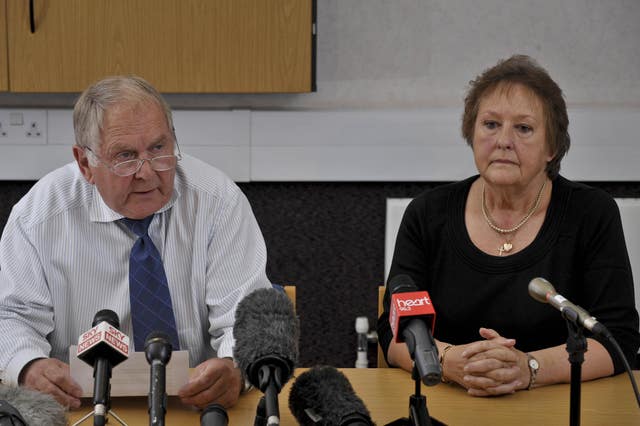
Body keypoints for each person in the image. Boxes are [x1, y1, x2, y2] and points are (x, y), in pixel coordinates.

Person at [0, 76, 272, 409]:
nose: (146, 171)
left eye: (158, 149)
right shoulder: (38, 216)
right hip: (78, 409)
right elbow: (10, 316)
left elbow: (245, 315)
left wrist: (235, 365)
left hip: (193, 408)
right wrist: (28, 366)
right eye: (125, 156)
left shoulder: (218, 202)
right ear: (85, 163)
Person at [377, 55, 640, 396]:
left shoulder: (591, 213)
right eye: (490, 124)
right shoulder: (427, 214)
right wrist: (449, 361)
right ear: (470, 133)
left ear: (553, 147)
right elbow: (393, 329)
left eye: (524, 128)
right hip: (449, 400)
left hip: (557, 405)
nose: (503, 141)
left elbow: (617, 336)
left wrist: (529, 368)